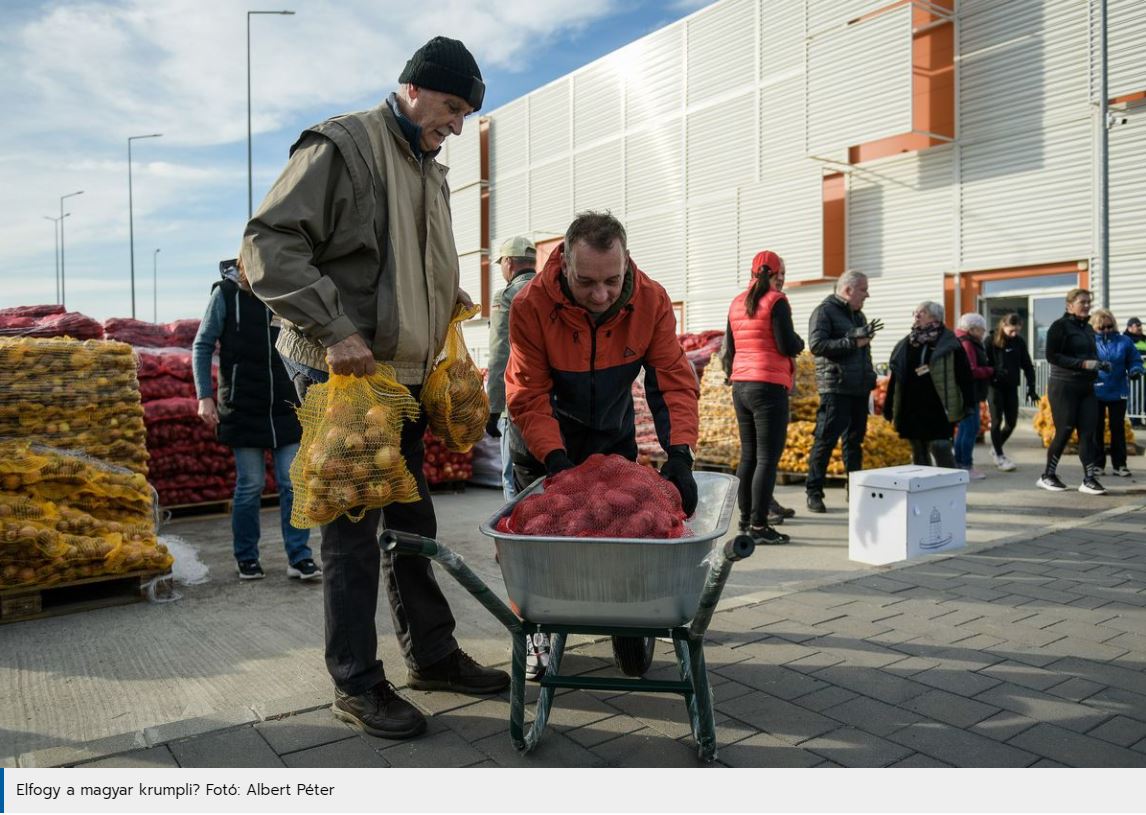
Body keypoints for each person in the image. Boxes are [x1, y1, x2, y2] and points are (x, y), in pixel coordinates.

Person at [241, 36, 508, 742]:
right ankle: (356, 681)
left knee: (414, 523)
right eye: (451, 107)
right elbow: (267, 246)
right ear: (414, 88)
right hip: (345, 374)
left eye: (465, 115)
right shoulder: (343, 146)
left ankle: (434, 655)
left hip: (407, 379)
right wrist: (333, 327)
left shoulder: (428, 167)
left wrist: (444, 300)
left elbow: (398, 264)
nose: (456, 124)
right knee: (354, 534)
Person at [504, 211, 700, 678]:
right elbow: (528, 393)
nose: (600, 294)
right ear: (564, 265)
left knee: (622, 539)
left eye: (612, 281)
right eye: (586, 281)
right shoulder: (531, 304)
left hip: (611, 437)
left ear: (627, 262)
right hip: (545, 441)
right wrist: (556, 461)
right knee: (542, 544)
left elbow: (671, 380)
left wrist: (680, 454)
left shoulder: (651, 301)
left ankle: (628, 625)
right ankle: (538, 631)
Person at [192, 258, 318, 582]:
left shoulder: (283, 294)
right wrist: (204, 395)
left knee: (292, 483)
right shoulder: (226, 295)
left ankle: (299, 557)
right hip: (242, 404)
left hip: (284, 404)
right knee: (251, 486)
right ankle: (246, 557)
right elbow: (202, 345)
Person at [721, 251, 804, 545]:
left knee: (749, 455)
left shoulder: (735, 302)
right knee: (767, 458)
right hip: (768, 385)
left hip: (741, 385)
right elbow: (785, 344)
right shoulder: (776, 302)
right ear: (776, 272)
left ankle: (744, 520)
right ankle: (759, 525)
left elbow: (728, 349)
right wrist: (799, 343)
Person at [805, 271, 881, 513]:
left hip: (859, 388)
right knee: (825, 440)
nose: (867, 294)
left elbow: (863, 352)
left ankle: (855, 490)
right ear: (848, 290)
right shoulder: (824, 311)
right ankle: (814, 492)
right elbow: (817, 346)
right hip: (835, 389)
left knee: (854, 442)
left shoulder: (858, 315)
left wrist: (869, 377)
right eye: (863, 289)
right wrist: (851, 342)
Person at [884, 302, 973, 468]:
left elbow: (964, 375)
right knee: (918, 450)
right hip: (910, 407)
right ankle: (922, 488)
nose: (916, 316)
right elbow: (896, 376)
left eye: (922, 312)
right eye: (915, 312)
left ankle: (949, 485)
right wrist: (889, 406)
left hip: (938, 406)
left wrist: (968, 403)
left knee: (941, 446)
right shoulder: (906, 343)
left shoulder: (949, 343)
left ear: (935, 317)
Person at [1038, 288, 1107, 495]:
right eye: (1082, 302)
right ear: (1069, 305)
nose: (1086, 306)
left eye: (1088, 302)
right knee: (1065, 429)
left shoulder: (1087, 329)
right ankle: (1047, 475)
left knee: (1089, 432)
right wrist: (1084, 364)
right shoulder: (1059, 327)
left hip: (1086, 387)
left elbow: (1090, 354)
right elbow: (1052, 356)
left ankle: (1089, 479)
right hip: (1063, 386)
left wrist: (1101, 365)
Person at [485, 236, 537, 500]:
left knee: (513, 479)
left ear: (508, 262)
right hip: (556, 404)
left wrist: (492, 408)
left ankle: (516, 535)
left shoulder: (507, 296)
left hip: (516, 403)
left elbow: (499, 354)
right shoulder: (551, 290)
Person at [1090, 308, 1144, 477]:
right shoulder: (1090, 342)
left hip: (1118, 390)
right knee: (1096, 428)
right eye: (1102, 327)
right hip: (1096, 390)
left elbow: (1134, 359)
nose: (1106, 330)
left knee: (1117, 428)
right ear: (1094, 327)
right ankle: (1098, 464)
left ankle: (1120, 465)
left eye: (1109, 326)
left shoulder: (1124, 341)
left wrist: (1135, 369)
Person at [985, 313, 1038, 472]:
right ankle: (999, 456)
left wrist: (1032, 387)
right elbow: (983, 365)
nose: (1014, 334)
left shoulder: (1019, 342)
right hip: (994, 387)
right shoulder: (990, 341)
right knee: (996, 421)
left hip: (1011, 386)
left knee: (1011, 423)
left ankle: (996, 447)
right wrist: (994, 372)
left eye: (1017, 331)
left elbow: (1027, 365)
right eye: (1011, 331)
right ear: (1003, 326)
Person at [954, 313, 994, 479]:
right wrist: (991, 370)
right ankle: (966, 466)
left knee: (964, 429)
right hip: (969, 393)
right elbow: (971, 370)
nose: (983, 333)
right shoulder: (968, 344)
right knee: (971, 429)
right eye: (981, 329)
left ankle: (959, 464)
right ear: (972, 329)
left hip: (966, 392)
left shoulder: (963, 341)